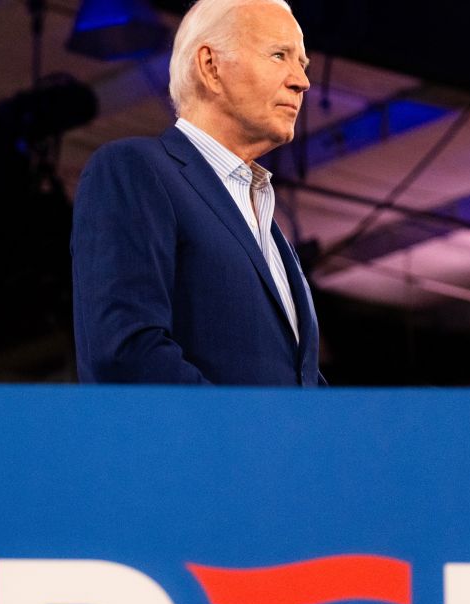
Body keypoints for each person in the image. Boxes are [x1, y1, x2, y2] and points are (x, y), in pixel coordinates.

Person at [70, 0, 324, 385]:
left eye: (301, 64)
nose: (301, 81)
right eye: (279, 55)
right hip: (189, 445)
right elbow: (127, 352)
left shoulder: (273, 235)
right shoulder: (137, 169)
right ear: (210, 67)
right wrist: (243, 442)